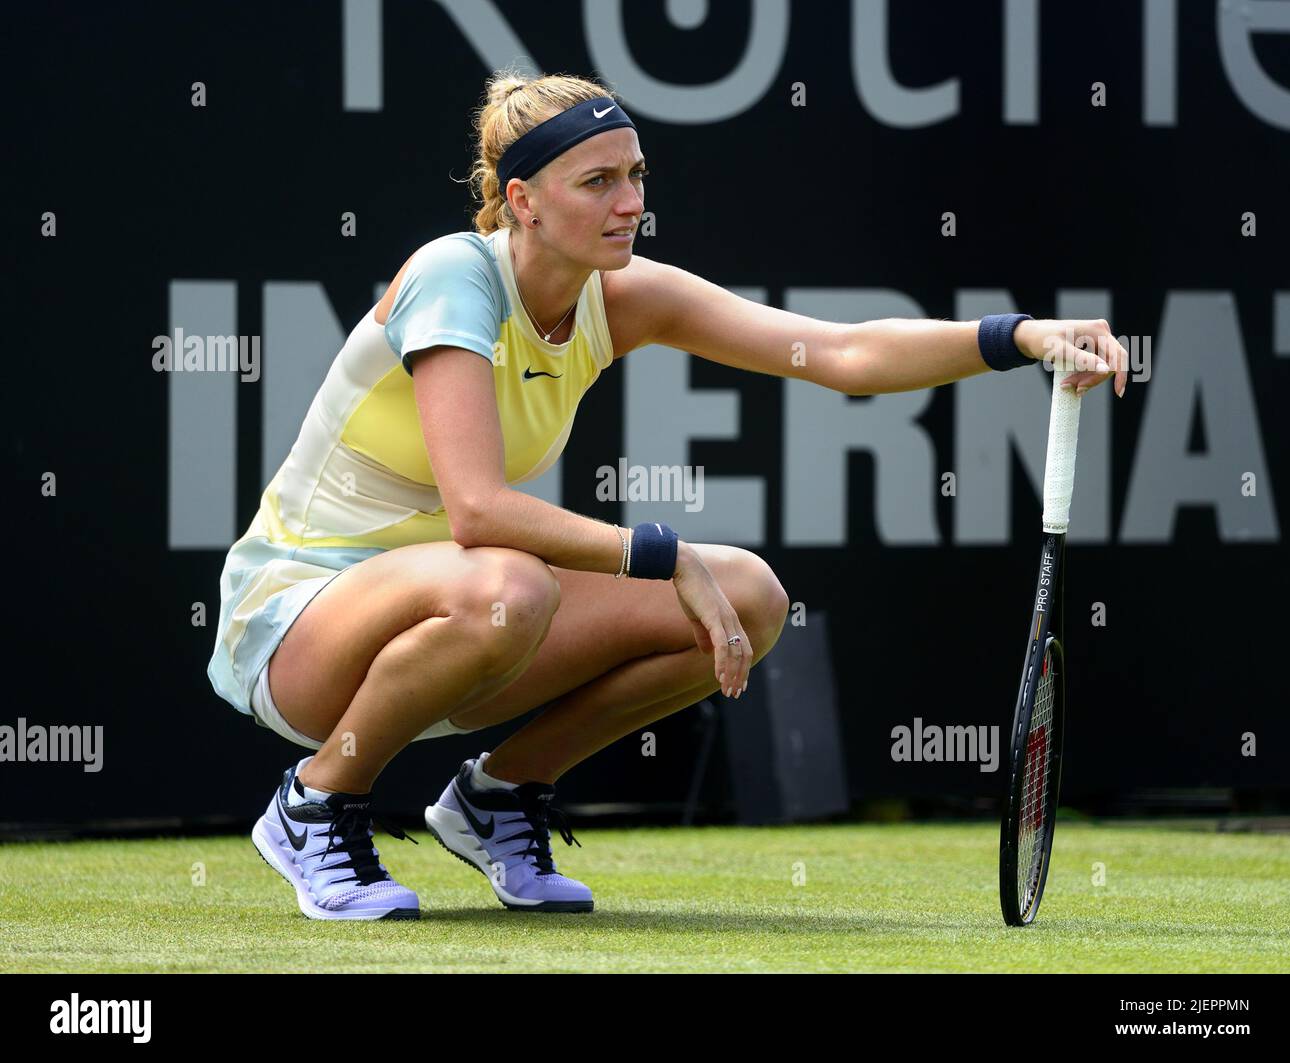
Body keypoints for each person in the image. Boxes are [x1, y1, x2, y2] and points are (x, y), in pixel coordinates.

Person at [208, 70, 1124, 921]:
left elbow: (838, 354)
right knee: (512, 583)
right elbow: (481, 512)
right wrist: (665, 554)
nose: (631, 203)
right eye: (597, 181)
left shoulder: (620, 293)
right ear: (520, 201)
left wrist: (1022, 338)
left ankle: (498, 796)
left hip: (459, 622)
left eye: (636, 175)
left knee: (750, 596)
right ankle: (318, 801)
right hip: (299, 623)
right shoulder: (455, 275)